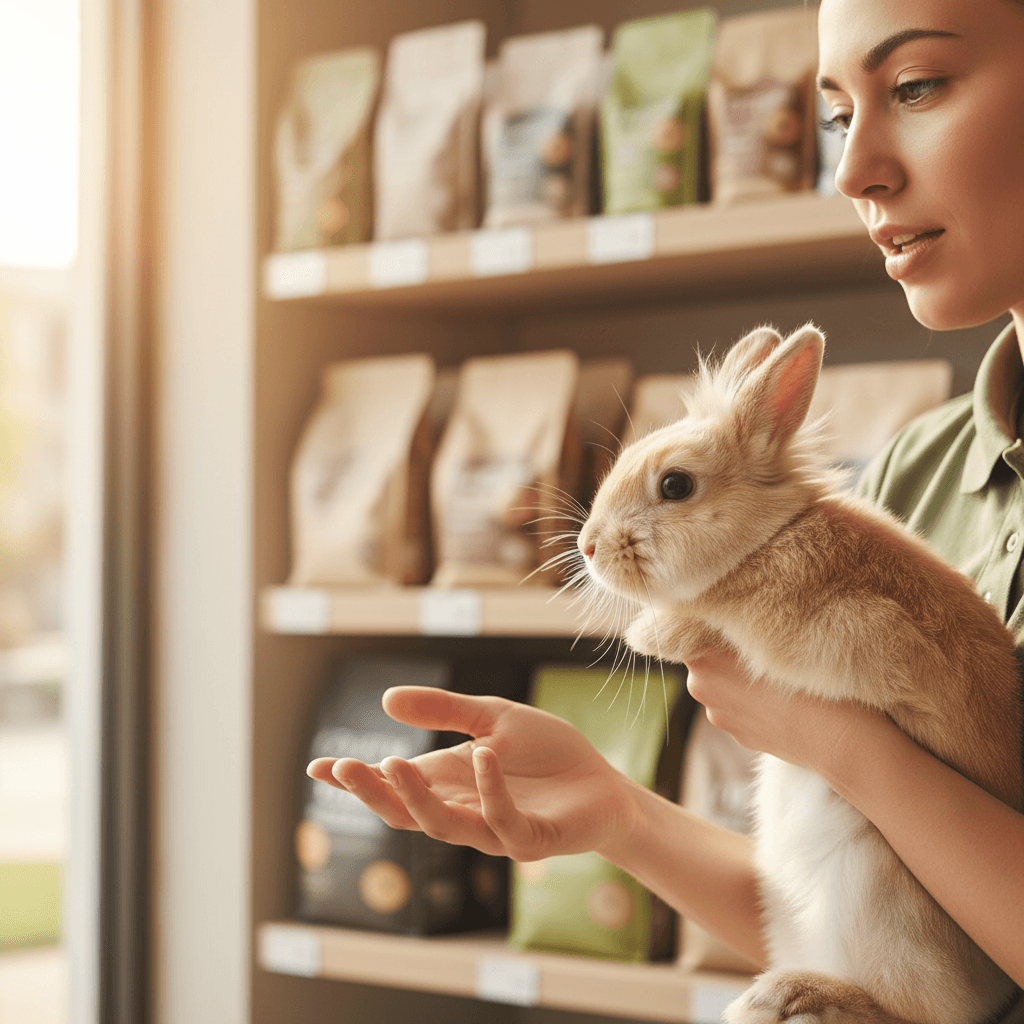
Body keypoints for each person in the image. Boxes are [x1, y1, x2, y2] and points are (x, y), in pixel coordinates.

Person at [307, 0, 1024, 1002]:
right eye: (832, 116)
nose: (852, 171)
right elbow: (898, 920)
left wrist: (835, 738)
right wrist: (617, 813)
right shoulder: (919, 470)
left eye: (913, 87)